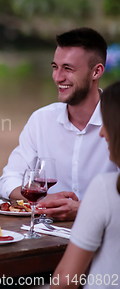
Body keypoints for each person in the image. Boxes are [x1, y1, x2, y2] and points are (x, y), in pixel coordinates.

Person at [0, 28, 118, 221]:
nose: (58, 77)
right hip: (47, 236)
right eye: (55, 67)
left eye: (68, 69)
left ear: (96, 71)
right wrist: (44, 199)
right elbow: (9, 179)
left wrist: (85, 209)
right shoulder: (41, 120)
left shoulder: (116, 122)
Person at [52, 81, 120, 288]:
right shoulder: (40, 119)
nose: (101, 133)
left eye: (107, 124)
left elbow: (65, 280)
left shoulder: (108, 188)